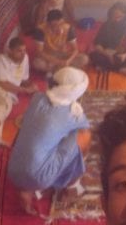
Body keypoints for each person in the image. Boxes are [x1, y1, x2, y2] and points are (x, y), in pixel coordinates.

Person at [7, 66, 90, 216]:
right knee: (82, 136)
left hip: (13, 169)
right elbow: (85, 128)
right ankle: (71, 185)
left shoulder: (37, 98)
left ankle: (26, 189)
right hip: (38, 177)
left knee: (45, 137)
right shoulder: (73, 113)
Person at [33, 8, 88, 75]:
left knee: (84, 58)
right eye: (55, 25)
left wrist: (68, 60)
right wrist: (58, 62)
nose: (59, 27)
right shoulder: (40, 30)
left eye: (61, 24)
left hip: (63, 54)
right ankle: (62, 69)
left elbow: (75, 49)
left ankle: (55, 70)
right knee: (37, 63)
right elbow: (40, 52)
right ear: (48, 24)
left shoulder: (68, 28)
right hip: (49, 56)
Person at [90, 1, 126, 75]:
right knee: (93, 56)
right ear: (111, 14)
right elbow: (97, 44)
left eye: (120, 17)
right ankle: (121, 68)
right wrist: (106, 54)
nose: (117, 20)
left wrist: (125, 55)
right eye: (114, 16)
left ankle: (107, 68)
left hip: (123, 54)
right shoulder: (106, 25)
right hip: (107, 53)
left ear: (125, 15)